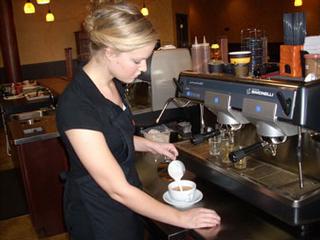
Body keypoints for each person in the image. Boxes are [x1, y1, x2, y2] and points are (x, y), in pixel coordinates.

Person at [56, 2, 220, 239]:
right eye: (137, 60)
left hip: (129, 198)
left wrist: (150, 144)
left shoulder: (113, 83)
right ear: (110, 52)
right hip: (98, 212)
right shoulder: (76, 104)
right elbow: (116, 189)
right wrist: (181, 217)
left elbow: (112, 137)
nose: (143, 68)